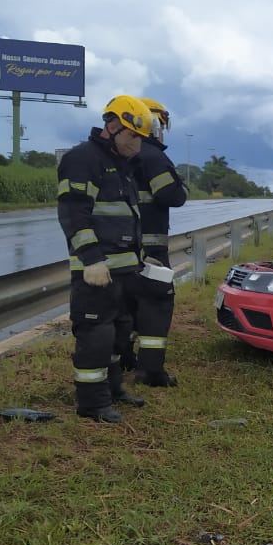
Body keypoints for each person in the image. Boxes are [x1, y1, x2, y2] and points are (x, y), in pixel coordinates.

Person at [56, 95, 152, 422]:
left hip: (123, 274)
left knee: (118, 335)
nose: (138, 145)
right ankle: (92, 403)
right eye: (133, 136)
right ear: (112, 127)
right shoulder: (82, 160)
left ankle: (113, 390)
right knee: (95, 336)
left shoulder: (123, 166)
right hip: (96, 272)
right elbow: (73, 213)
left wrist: (141, 260)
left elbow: (125, 219)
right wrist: (91, 259)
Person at [122, 98, 188, 387]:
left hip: (122, 248)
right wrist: (180, 185)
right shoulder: (153, 156)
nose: (161, 131)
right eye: (160, 124)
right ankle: (150, 370)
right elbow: (172, 196)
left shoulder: (122, 154)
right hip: (152, 251)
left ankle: (123, 357)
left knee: (124, 305)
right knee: (157, 306)